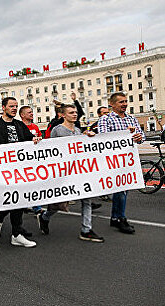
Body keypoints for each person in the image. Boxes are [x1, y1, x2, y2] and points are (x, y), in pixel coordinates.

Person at [35, 104, 104, 242]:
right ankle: (44, 217)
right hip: (64, 174)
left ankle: (86, 230)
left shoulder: (78, 131)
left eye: (76, 112)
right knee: (59, 204)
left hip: (79, 172)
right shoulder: (57, 130)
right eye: (71, 112)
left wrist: (88, 138)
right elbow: (50, 150)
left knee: (87, 199)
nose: (75, 114)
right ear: (63, 115)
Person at [0, 97, 41, 248]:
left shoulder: (19, 125)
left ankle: (16, 234)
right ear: (3, 107)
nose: (14, 109)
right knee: (10, 198)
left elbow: (30, 140)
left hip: (19, 170)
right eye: (11, 106)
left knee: (19, 199)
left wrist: (35, 140)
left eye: (16, 106)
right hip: (3, 170)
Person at [98, 92, 145, 234]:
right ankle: (121, 218)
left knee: (124, 188)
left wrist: (137, 136)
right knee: (120, 189)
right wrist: (125, 134)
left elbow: (141, 137)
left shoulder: (132, 118)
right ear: (112, 104)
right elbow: (103, 138)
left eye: (125, 101)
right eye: (121, 102)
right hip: (114, 160)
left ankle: (115, 217)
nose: (125, 104)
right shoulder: (106, 119)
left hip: (129, 160)